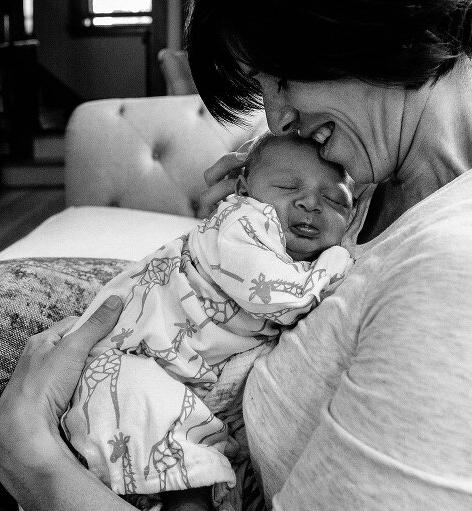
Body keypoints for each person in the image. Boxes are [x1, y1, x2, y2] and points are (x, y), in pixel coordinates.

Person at [0, 1, 472, 510]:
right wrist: (228, 244)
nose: (277, 115)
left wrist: (37, 466)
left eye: (284, 78)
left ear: (388, 25)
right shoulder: (384, 187)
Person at [58, 133, 354, 508]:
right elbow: (278, 298)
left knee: (205, 450)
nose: (310, 203)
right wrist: (337, 262)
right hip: (132, 358)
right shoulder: (242, 221)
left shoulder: (297, 252)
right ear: (243, 188)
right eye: (286, 186)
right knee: (147, 417)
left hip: (181, 374)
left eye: (334, 200)